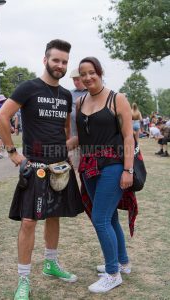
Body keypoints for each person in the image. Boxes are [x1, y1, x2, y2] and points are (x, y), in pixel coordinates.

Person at [0, 39, 84, 300]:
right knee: (29, 221)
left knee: (54, 216)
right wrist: (13, 152)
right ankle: (23, 279)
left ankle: (50, 263)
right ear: (45, 60)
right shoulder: (29, 88)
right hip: (34, 166)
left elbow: (65, 130)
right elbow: (1, 118)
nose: (60, 65)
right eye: (56, 60)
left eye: (65, 61)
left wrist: (65, 153)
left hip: (59, 166)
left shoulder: (66, 95)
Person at [68, 57, 135, 293]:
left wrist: (128, 169)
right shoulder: (80, 102)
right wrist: (59, 146)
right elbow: (83, 138)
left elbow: (128, 136)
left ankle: (112, 273)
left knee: (100, 219)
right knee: (110, 217)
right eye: (83, 74)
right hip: (88, 166)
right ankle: (122, 262)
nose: (87, 78)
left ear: (100, 72)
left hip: (113, 165)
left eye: (91, 73)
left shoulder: (117, 98)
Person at [69, 68, 87, 169]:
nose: (76, 82)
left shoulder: (92, 92)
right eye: (74, 80)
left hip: (92, 139)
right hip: (74, 138)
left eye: (78, 79)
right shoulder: (69, 94)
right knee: (76, 167)